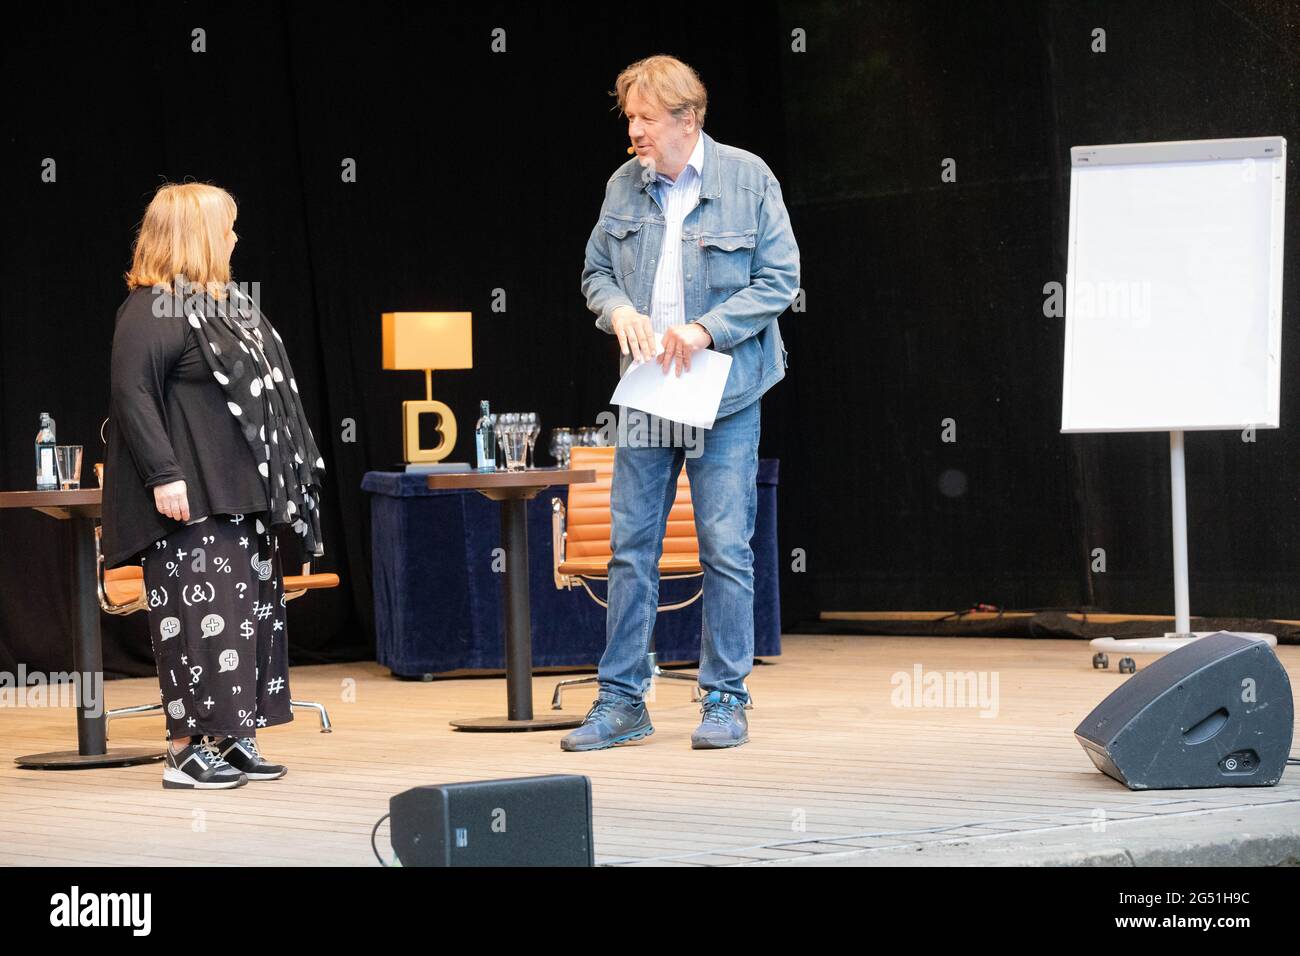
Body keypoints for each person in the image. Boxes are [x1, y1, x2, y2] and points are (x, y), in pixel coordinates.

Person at [567, 55, 800, 751]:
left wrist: (706, 329)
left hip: (725, 393)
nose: (633, 130)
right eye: (629, 118)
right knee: (629, 548)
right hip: (646, 395)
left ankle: (725, 698)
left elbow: (780, 279)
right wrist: (617, 315)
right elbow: (596, 273)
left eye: (645, 118)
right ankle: (621, 702)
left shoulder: (747, 177)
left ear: (686, 118)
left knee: (725, 547)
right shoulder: (623, 185)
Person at [100, 182, 327, 788]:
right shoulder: (152, 307)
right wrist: (163, 475)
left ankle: (230, 740)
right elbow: (133, 396)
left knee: (245, 620)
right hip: (188, 501)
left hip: (242, 496)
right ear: (195, 236)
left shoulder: (227, 306)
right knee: (197, 627)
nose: (234, 237)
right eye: (225, 227)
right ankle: (182, 752)